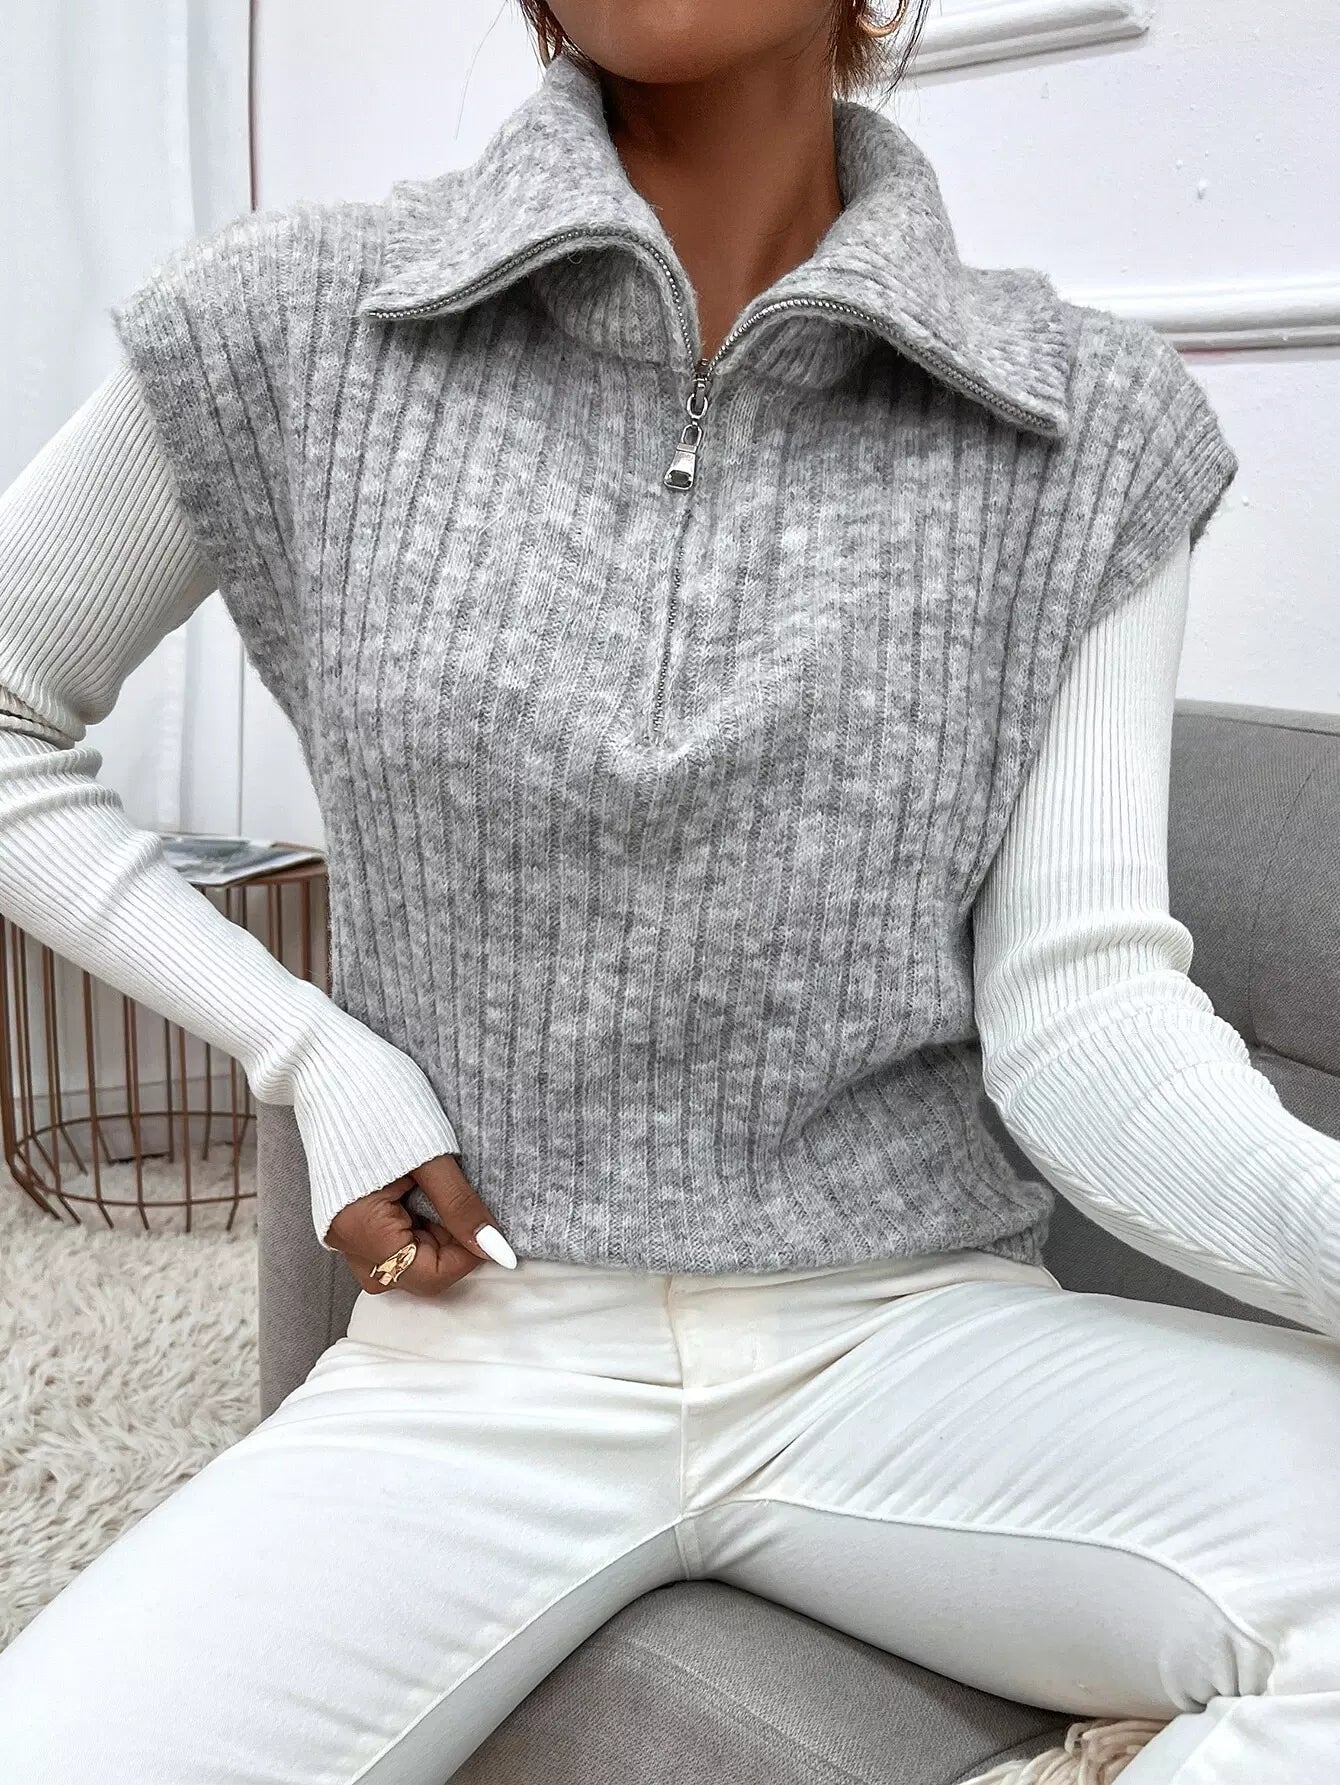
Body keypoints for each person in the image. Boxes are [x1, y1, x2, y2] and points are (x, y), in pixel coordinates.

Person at [0, 4, 1337, 1780]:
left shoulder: (1083, 422)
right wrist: (308, 1048)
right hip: (482, 1346)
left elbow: (1083, 1014)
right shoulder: (288, 322)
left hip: (909, 1334)